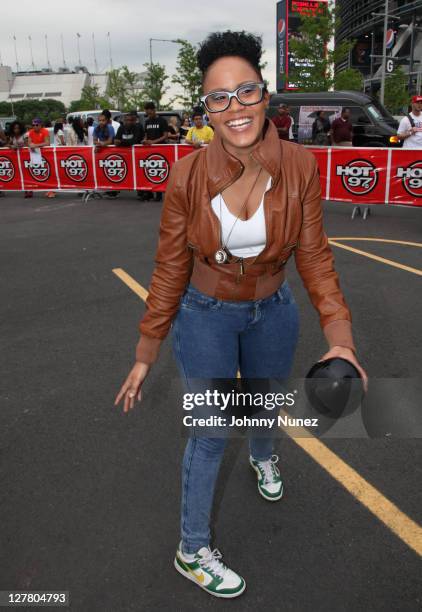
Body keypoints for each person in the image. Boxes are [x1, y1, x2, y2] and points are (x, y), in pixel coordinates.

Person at [115, 30, 367, 599]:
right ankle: (191, 548)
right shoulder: (187, 176)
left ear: (265, 94)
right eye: (218, 98)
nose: (234, 108)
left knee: (261, 401)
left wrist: (341, 338)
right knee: (210, 431)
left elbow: (317, 258)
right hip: (205, 314)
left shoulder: (299, 166)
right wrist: (146, 349)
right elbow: (168, 268)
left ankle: (263, 457)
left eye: (245, 91)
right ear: (206, 108)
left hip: (273, 310)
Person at [114, 111, 146, 200]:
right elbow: (116, 140)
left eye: (130, 120)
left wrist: (121, 142)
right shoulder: (121, 128)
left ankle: (143, 192)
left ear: (134, 121)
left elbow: (134, 141)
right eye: (126, 120)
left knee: (140, 173)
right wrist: (119, 142)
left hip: (138, 155)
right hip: (125, 155)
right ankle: (115, 190)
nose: (127, 122)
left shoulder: (137, 127)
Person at [142, 102, 169, 201]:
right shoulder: (147, 122)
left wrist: (153, 142)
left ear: (153, 110)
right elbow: (146, 134)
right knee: (150, 171)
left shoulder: (162, 121)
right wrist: (145, 140)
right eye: (147, 113)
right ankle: (149, 192)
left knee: (159, 171)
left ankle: (159, 194)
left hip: (161, 149)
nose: (148, 115)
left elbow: (165, 135)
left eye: (149, 113)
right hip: (149, 150)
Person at [27, 118, 51, 197]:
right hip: (34, 154)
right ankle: (30, 189)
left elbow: (47, 143)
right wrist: (31, 145)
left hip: (45, 154)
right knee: (32, 171)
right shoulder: (30, 132)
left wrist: (35, 145)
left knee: (48, 172)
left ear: (40, 125)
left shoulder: (45, 131)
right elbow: (29, 143)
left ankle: (51, 190)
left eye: (36, 125)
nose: (34, 126)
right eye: (33, 125)